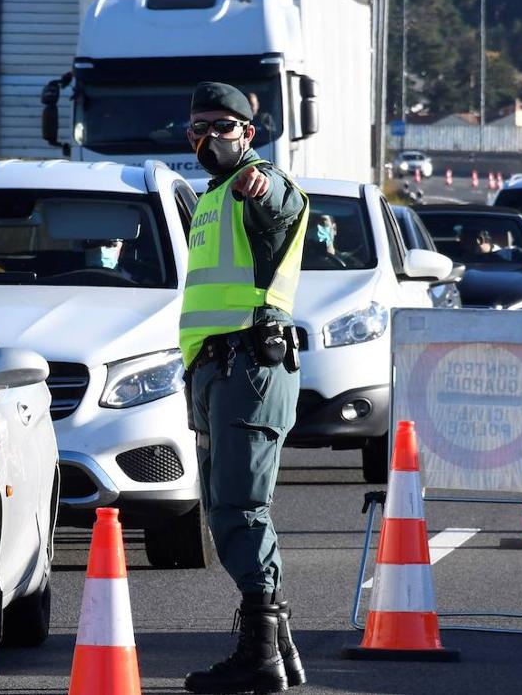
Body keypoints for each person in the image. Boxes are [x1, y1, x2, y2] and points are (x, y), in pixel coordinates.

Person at [180, 82, 309, 694]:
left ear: (248, 134)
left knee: (239, 508)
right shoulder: (210, 199)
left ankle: (260, 655)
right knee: (225, 507)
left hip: (248, 368)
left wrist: (262, 182)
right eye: (197, 128)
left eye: (222, 126)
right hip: (217, 371)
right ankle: (277, 648)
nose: (208, 138)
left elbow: (279, 202)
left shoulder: (257, 185)